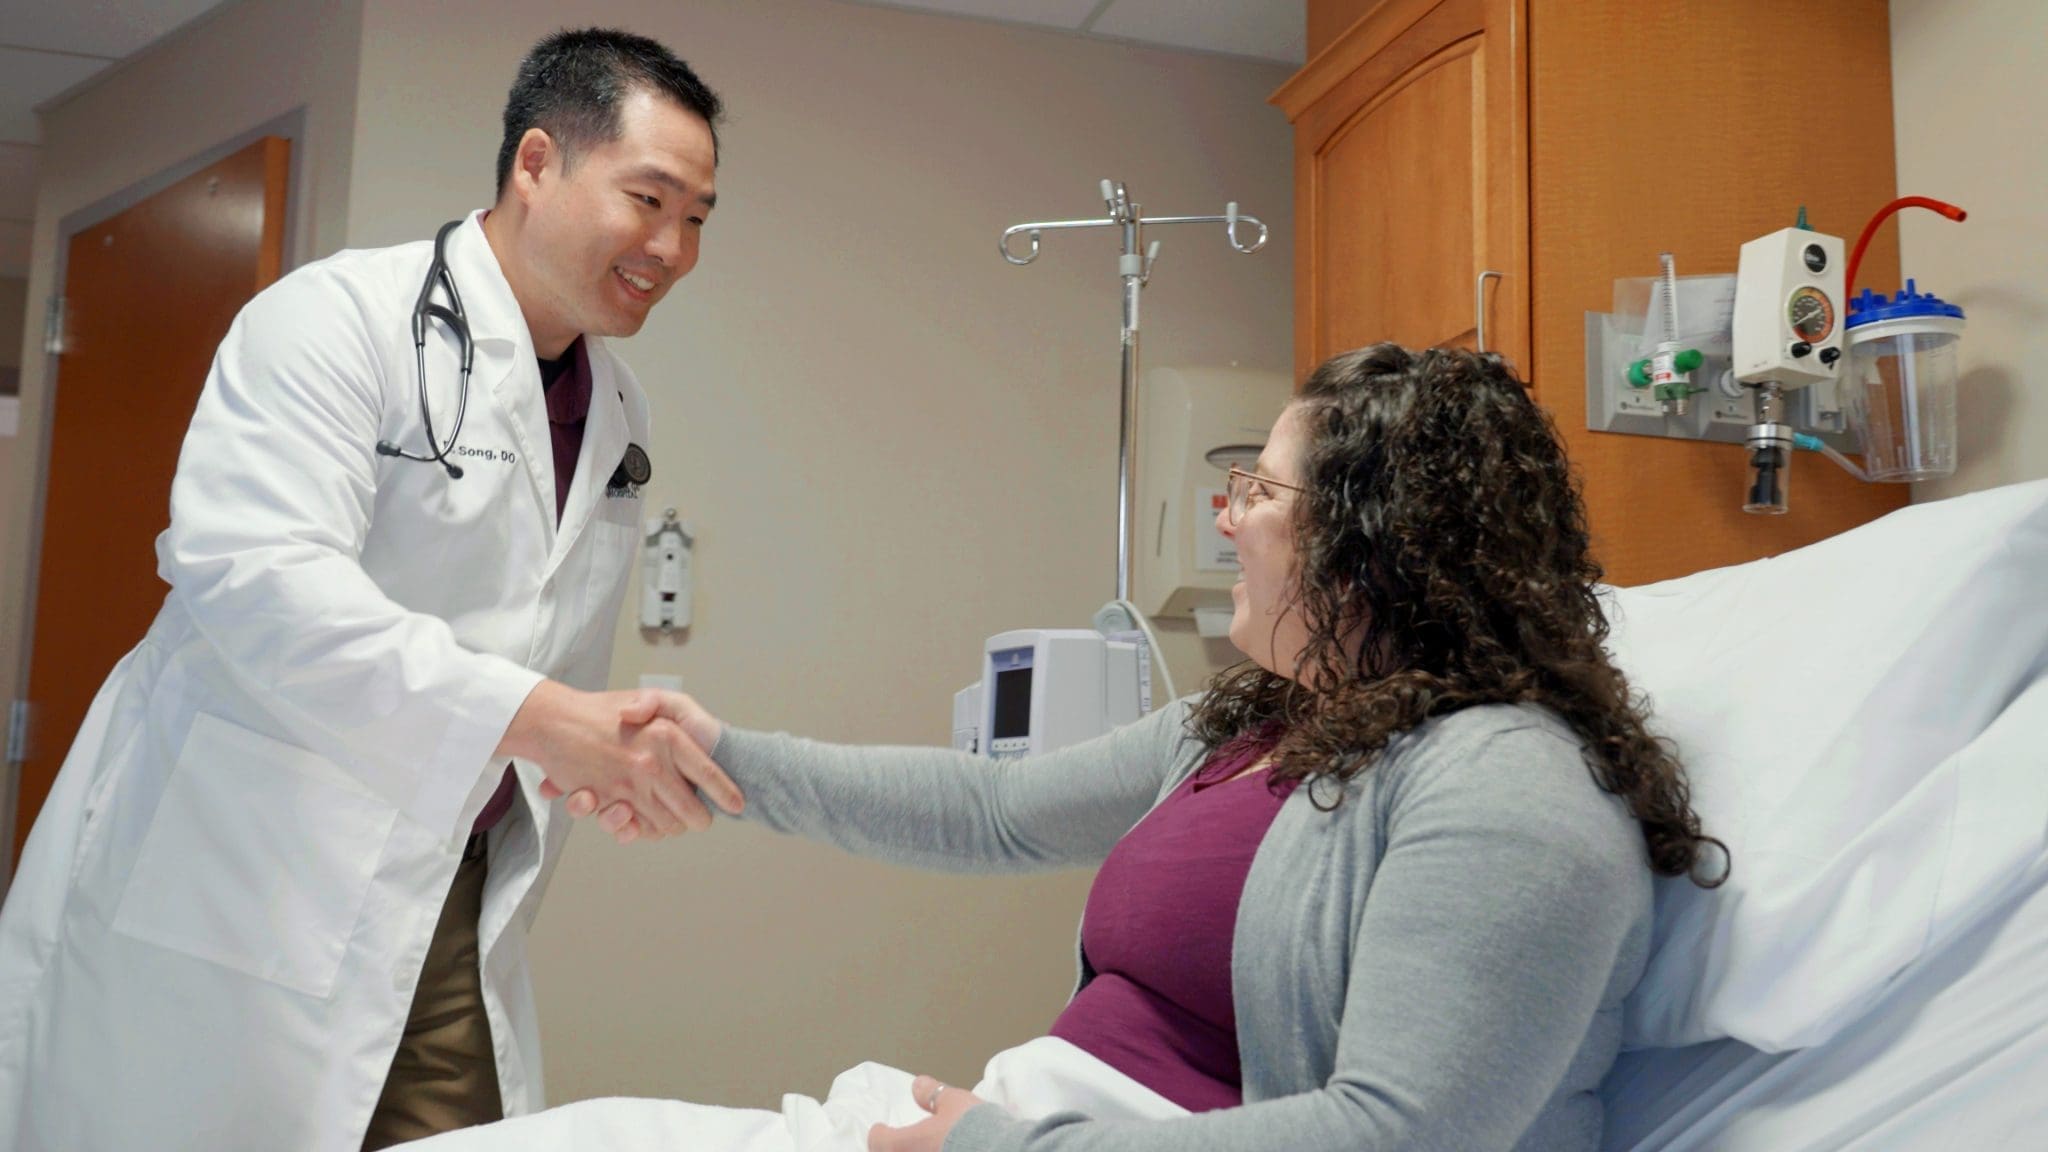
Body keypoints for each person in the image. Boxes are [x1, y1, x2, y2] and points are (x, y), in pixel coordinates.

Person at [532, 343, 1727, 1152]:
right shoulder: (1253, 725)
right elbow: (991, 811)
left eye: (1255, 489)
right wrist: (718, 756)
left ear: (1366, 547)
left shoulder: (1507, 785)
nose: (1224, 518)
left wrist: (1000, 1146)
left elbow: (1390, 1133)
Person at [0, 28, 744, 1152]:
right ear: (536, 164)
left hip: (445, 881)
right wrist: (546, 723)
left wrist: (588, 758)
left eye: (696, 217)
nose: (673, 246)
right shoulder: (335, 321)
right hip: (242, 867)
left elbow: (541, 634)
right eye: (649, 199)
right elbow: (257, 580)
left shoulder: (616, 409)